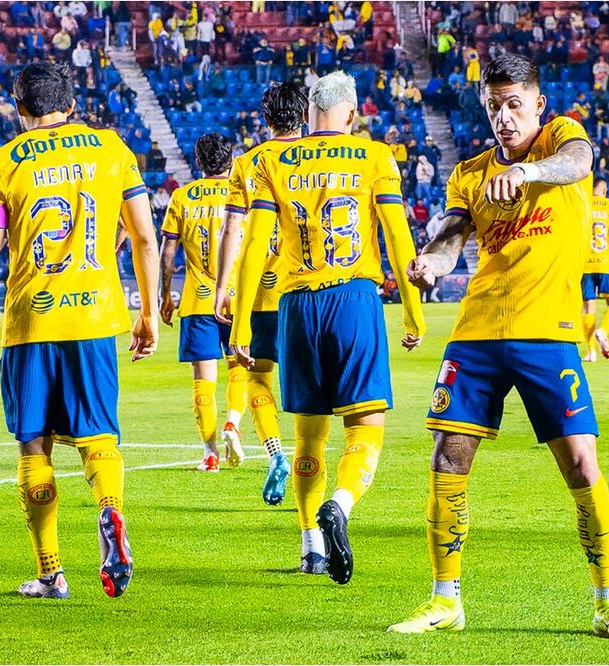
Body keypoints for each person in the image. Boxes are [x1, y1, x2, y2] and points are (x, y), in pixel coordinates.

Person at [388, 54, 609, 640]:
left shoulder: (561, 138)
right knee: (447, 458)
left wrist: (527, 173)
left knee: (581, 464)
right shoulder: (469, 173)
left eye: (513, 104)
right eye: (493, 106)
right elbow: (452, 237)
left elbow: (578, 163)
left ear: (537, 105)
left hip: (547, 332)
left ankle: (608, 602)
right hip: (477, 332)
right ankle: (445, 600)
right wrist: (431, 264)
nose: (503, 117)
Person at [0, 62, 160, 601]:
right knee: (98, 436)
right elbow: (143, 237)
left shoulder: (2, 163)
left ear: (20, 107)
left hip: (31, 321)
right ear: (72, 103)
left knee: (34, 445)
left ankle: (50, 573)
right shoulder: (111, 149)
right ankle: (110, 510)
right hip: (94, 320)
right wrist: (149, 312)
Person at [228, 71, 426, 583]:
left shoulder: (271, 161)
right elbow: (398, 237)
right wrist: (413, 309)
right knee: (365, 426)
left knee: (308, 438)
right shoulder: (375, 157)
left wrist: (242, 326)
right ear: (352, 113)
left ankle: (311, 548)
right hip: (354, 299)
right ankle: (340, 503)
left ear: (307, 114)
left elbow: (253, 248)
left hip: (295, 306)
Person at [215, 82, 307, 507]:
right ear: (303, 116)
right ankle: (310, 463)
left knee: (257, 379)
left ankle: (275, 453)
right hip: (304, 291)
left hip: (257, 296)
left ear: (265, 118)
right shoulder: (317, 158)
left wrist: (223, 287)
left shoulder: (248, 163)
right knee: (308, 388)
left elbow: (232, 229)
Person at [159, 133, 245, 473]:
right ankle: (233, 421)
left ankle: (210, 454)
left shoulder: (182, 197)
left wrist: (165, 294)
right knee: (240, 367)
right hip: (237, 298)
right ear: (231, 160)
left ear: (199, 162)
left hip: (198, 301)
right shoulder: (242, 193)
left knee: (203, 379)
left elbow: (168, 252)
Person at [581, 178, 609, 362]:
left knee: (588, 307)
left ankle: (590, 351)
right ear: (605, 190)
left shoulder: (582, 203)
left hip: (585, 264)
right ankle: (603, 331)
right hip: (606, 262)